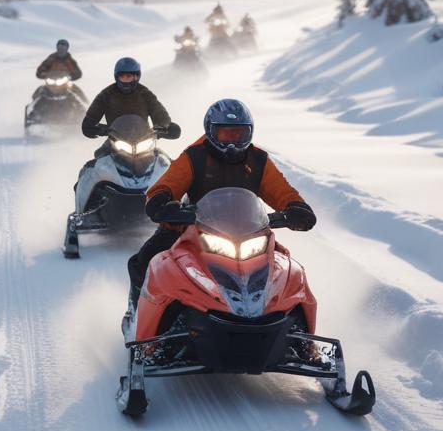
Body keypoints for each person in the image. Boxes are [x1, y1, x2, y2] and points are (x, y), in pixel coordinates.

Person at [126, 98, 316, 310]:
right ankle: (137, 316)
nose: (232, 142)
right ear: (210, 131)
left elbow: (281, 190)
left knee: (288, 272)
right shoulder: (195, 156)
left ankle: (293, 322)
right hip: (193, 228)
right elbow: (168, 184)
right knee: (143, 263)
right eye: (225, 134)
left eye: (238, 134)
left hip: (250, 233)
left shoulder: (258, 160)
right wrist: (161, 201)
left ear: (249, 133)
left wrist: (296, 208)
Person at [81, 57, 180, 156]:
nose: (126, 80)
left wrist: (166, 126)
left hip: (144, 141)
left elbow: (158, 112)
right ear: (116, 77)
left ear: (137, 76)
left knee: (164, 160)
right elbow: (92, 115)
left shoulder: (145, 94)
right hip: (115, 141)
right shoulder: (107, 94)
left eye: (129, 76)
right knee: (98, 157)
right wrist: (91, 127)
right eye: (122, 77)